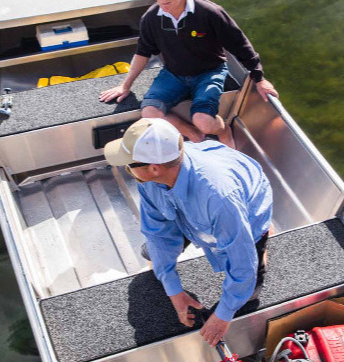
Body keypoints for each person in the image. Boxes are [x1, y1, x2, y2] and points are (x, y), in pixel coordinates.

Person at [104, 117, 273, 346]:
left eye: (129, 165)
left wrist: (222, 316)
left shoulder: (220, 199)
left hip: (245, 210)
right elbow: (157, 233)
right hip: (191, 211)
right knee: (157, 252)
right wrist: (174, 292)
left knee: (249, 277)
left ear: (154, 168)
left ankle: (261, 241)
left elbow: (242, 265)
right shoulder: (148, 181)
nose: (127, 170)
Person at [99, 0, 278, 148]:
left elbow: (240, 45)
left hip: (209, 72)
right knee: (150, 113)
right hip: (173, 73)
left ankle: (223, 130)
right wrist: (125, 86)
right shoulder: (151, 18)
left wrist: (259, 79)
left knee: (204, 121)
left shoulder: (210, 12)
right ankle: (194, 135)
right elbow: (143, 53)